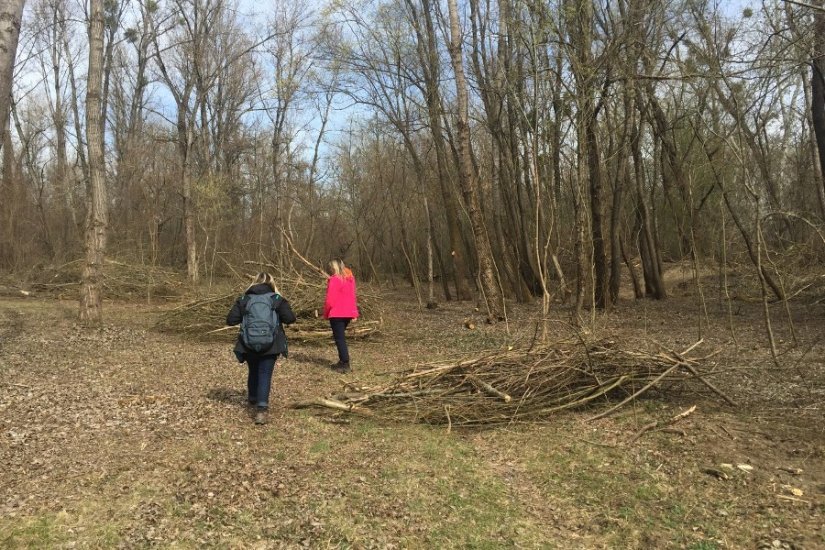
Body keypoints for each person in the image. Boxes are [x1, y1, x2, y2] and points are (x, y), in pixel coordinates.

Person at [226, 272, 296, 425]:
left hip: (248, 343)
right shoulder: (276, 299)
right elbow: (290, 318)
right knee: (265, 372)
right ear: (271, 283)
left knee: (253, 369)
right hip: (271, 344)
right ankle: (261, 410)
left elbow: (230, 320)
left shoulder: (244, 299)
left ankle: (252, 398)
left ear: (254, 282)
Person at [323, 259, 359, 373]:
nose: (330, 270)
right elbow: (353, 297)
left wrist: (326, 313)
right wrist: (354, 313)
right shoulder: (350, 279)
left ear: (334, 268)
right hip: (348, 313)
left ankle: (345, 362)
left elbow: (330, 300)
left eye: (331, 268)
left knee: (340, 339)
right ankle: (342, 361)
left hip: (337, 313)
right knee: (340, 338)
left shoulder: (334, 279)